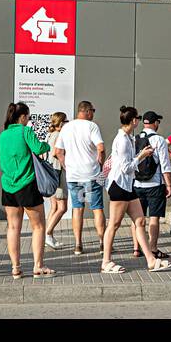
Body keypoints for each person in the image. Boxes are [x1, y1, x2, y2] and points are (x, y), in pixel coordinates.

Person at [98, 107, 166, 272]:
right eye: (138, 118)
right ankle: (106, 262)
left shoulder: (129, 138)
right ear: (134, 121)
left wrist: (140, 154)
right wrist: (142, 156)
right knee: (114, 224)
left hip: (128, 185)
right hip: (119, 185)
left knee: (140, 221)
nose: (139, 121)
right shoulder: (122, 140)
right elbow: (125, 168)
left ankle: (150, 260)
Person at [0, 102, 56, 279]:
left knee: (13, 227)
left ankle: (15, 268)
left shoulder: (3, 135)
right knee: (38, 226)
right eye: (28, 117)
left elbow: (1, 156)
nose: (29, 120)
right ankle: (38, 266)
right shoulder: (25, 131)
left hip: (8, 185)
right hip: (28, 184)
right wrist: (46, 145)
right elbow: (39, 148)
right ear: (22, 117)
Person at [53, 99, 108, 254]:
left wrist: (66, 165)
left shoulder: (67, 127)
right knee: (97, 208)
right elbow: (101, 148)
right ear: (88, 111)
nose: (93, 114)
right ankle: (102, 242)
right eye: (93, 111)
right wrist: (100, 164)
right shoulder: (92, 126)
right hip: (92, 175)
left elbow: (57, 151)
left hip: (74, 176)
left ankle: (78, 245)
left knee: (78, 209)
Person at [131, 111, 171, 259]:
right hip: (155, 184)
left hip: (137, 184)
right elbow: (165, 165)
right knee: (154, 218)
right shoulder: (159, 140)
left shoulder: (134, 138)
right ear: (155, 123)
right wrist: (169, 185)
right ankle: (153, 249)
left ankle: (136, 248)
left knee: (136, 218)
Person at [42, 112, 69, 250]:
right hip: (58, 174)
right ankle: (47, 234)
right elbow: (56, 153)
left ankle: (48, 235)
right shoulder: (59, 135)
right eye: (66, 120)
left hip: (50, 174)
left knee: (54, 207)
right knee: (62, 208)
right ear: (61, 122)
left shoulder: (49, 135)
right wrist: (67, 166)